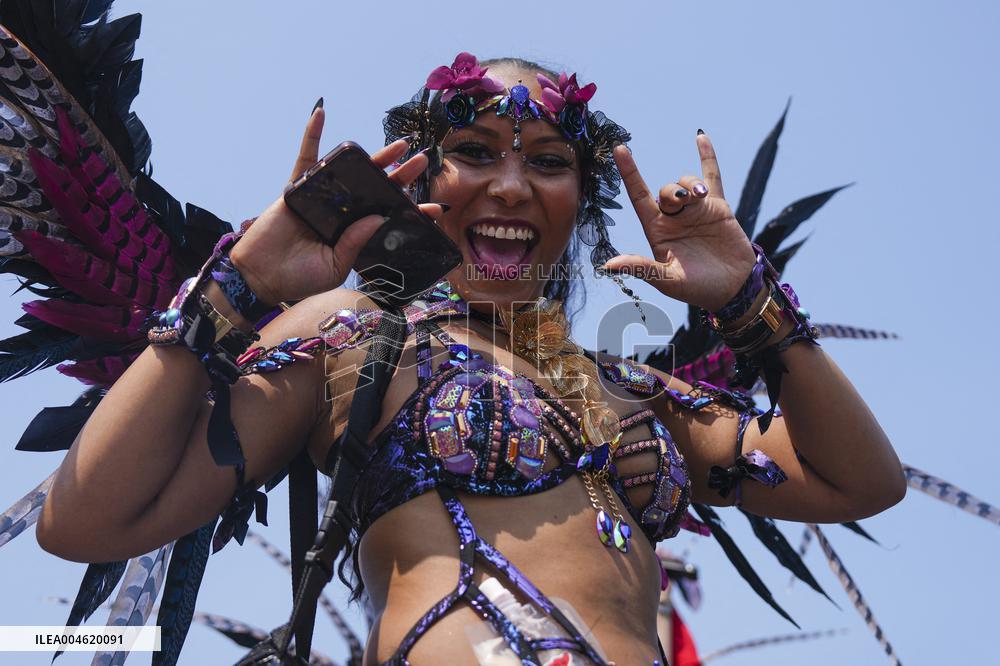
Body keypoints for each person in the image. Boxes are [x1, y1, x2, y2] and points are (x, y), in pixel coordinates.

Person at [34, 52, 906, 665]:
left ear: (580, 200)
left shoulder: (634, 389)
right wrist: (236, 286)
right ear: (422, 181)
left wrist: (752, 304)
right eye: (476, 153)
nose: (513, 185)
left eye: (550, 162)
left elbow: (858, 481)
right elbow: (87, 521)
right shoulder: (348, 333)